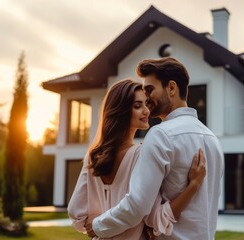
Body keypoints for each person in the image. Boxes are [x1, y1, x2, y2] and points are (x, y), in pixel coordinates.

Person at [87, 57, 224, 239]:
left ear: (171, 88)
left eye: (150, 90)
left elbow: (137, 206)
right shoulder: (213, 140)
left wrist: (98, 226)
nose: (147, 98)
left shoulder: (161, 135)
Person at [67, 79, 207, 239]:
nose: (147, 111)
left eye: (146, 104)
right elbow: (157, 218)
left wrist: (98, 225)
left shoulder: (93, 156)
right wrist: (193, 185)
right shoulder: (141, 154)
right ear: (121, 111)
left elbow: (75, 211)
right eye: (137, 106)